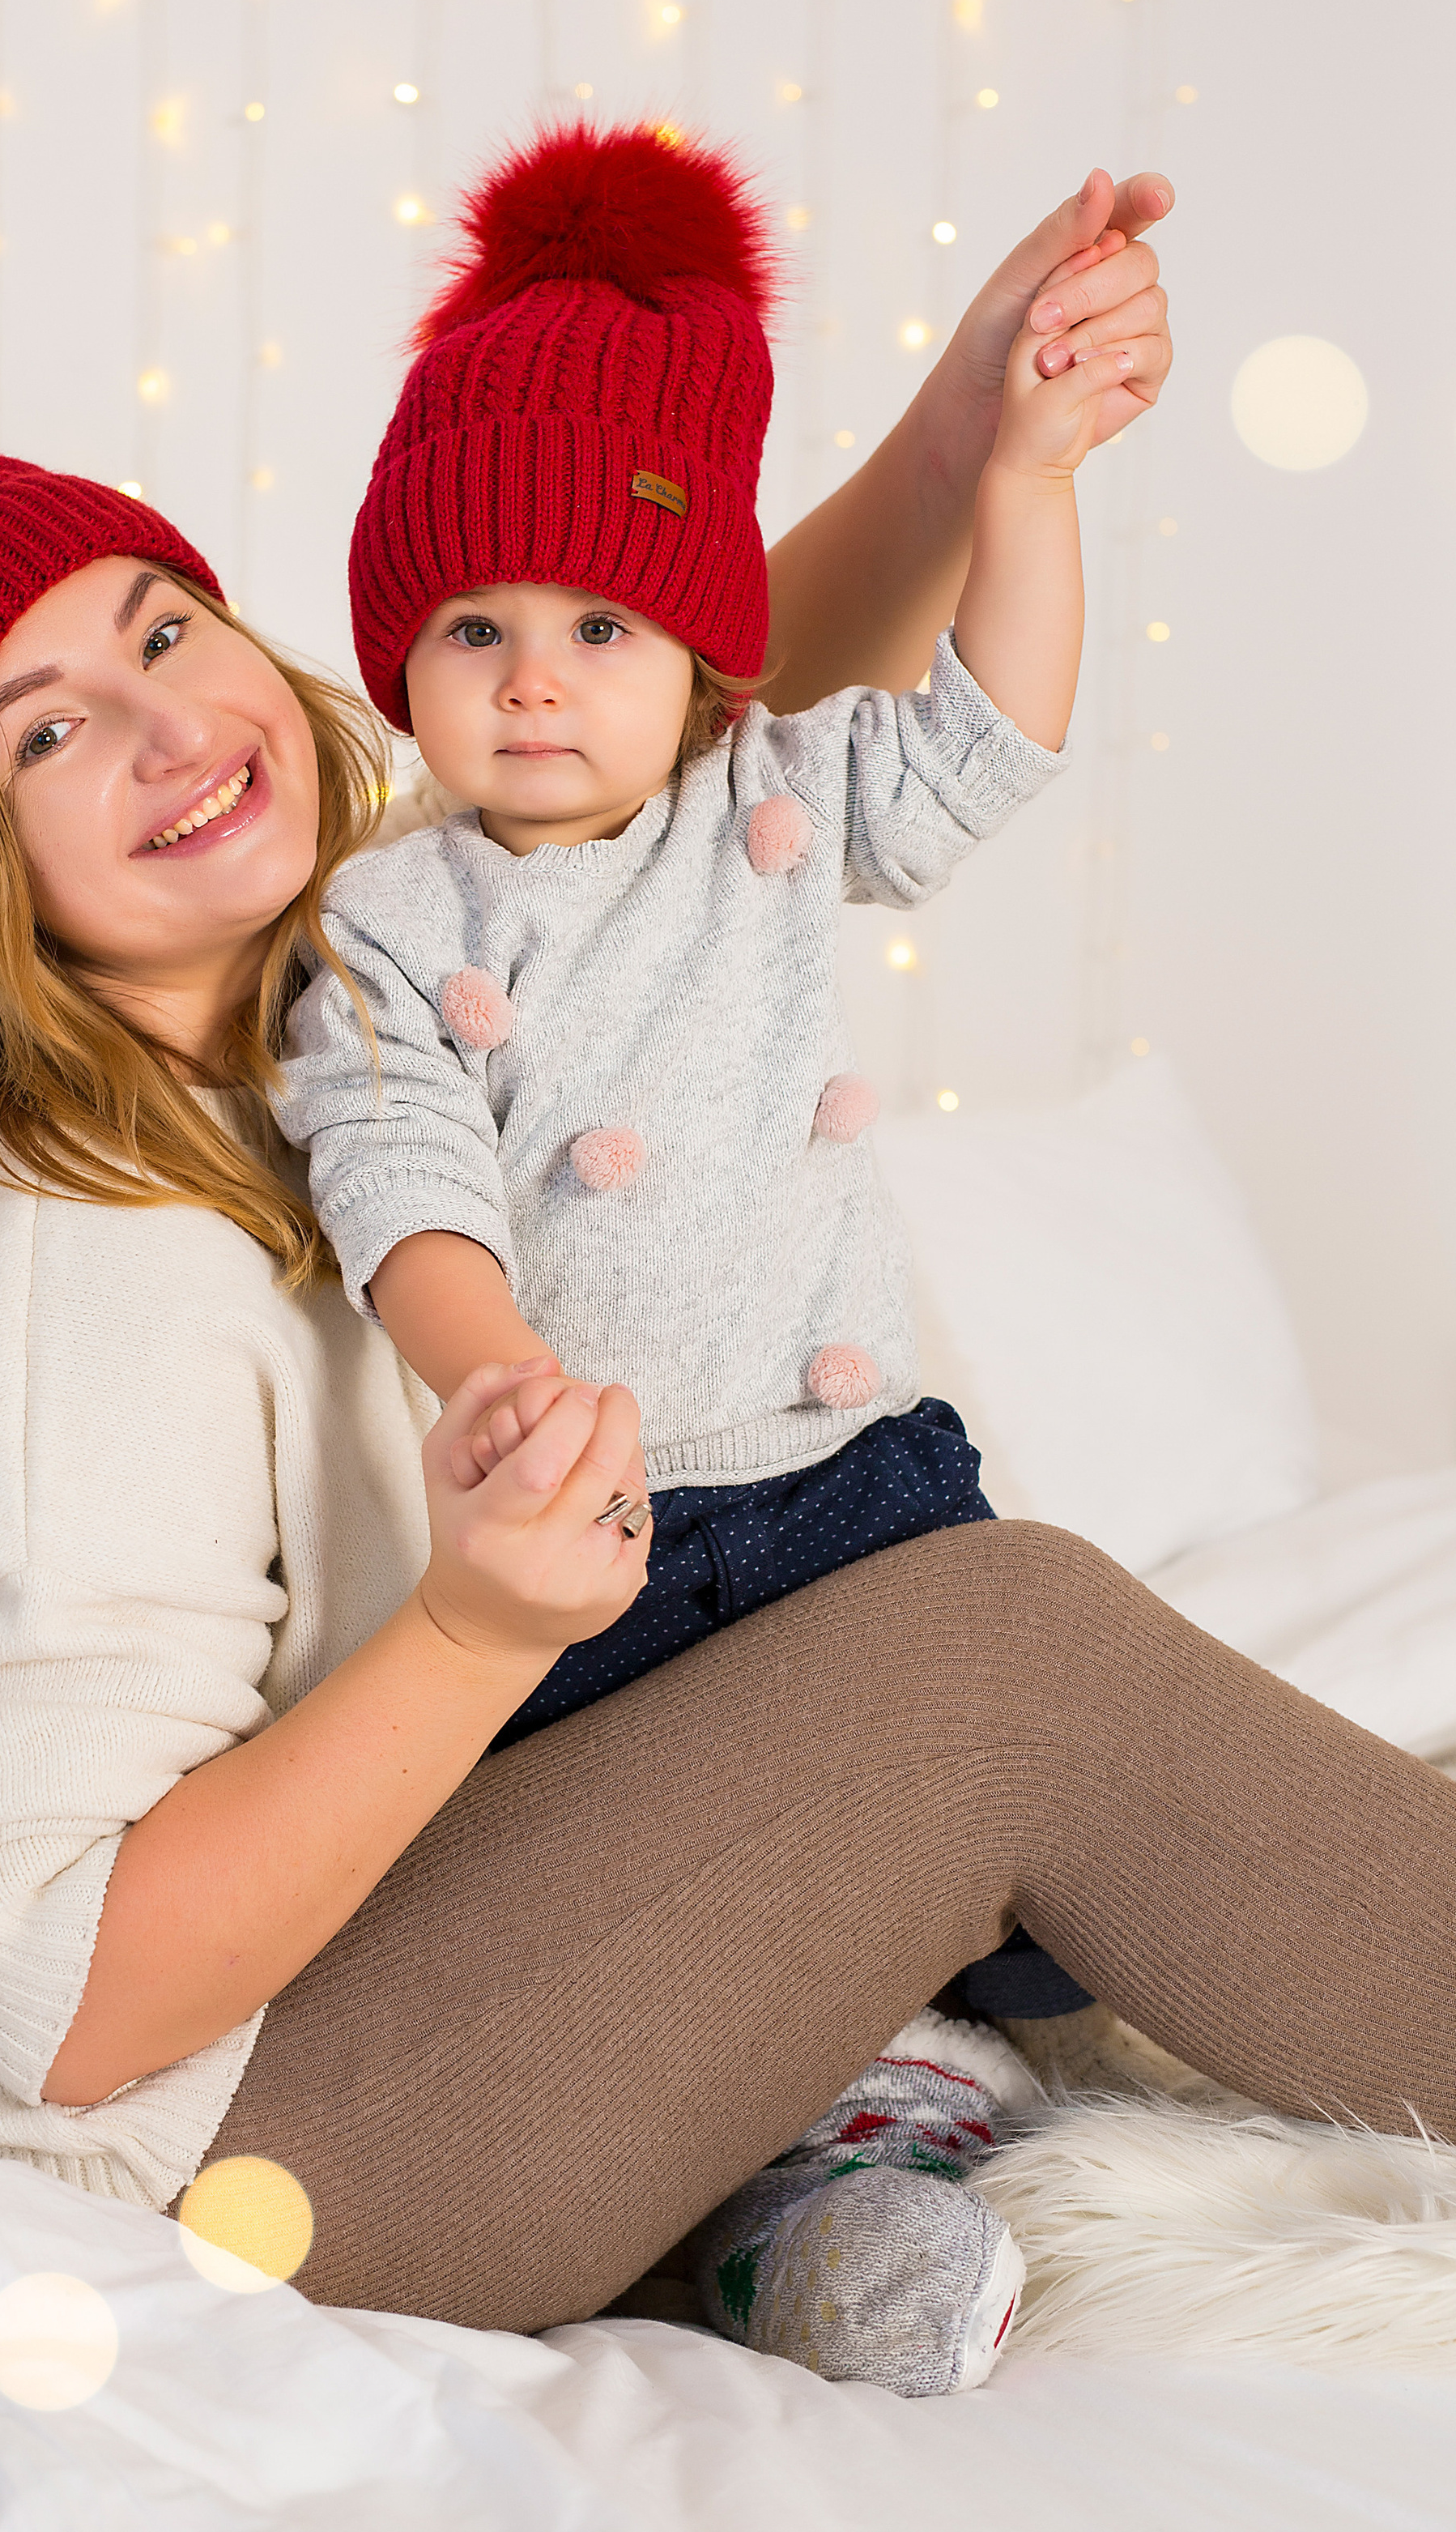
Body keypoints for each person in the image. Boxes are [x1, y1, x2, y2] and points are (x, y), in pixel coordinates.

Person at [0, 185, 1456, 2407]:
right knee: (1003, 1661)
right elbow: (70, 2002)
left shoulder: (357, 968)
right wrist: (478, 1630)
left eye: (163, 629)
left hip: (409, 1961)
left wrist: (968, 441)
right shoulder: (68, 1268)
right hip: (236, 2155)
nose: (169, 730)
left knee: (952, 1627)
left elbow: (696, 736)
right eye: (47, 735)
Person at [274, 116, 1126, 2389]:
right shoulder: (385, 916)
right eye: (474, 628)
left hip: (854, 1479)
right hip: (604, 1522)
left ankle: (975, 2091)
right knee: (679, 1903)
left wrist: (1029, 480)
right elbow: (398, 1171)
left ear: (700, 650)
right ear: (402, 661)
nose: (536, 679)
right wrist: (492, 1370)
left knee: (983, 1849)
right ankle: (780, 2195)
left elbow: (995, 737)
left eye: (601, 625)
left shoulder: (769, 803)